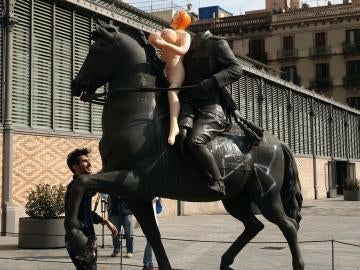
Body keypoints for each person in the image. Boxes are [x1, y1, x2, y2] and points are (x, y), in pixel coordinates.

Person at [179, 30, 243, 196]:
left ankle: (218, 181)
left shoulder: (216, 43)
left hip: (212, 106)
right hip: (188, 104)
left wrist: (212, 81)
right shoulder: (186, 47)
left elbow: (236, 69)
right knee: (179, 136)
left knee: (195, 141)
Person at [64, 148, 118, 270]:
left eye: (89, 160)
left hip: (86, 236)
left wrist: (105, 221)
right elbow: (70, 220)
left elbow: (85, 212)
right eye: (84, 161)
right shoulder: (77, 186)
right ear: (75, 167)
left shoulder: (81, 185)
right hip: (79, 236)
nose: (89, 163)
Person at [148, 11, 192, 145]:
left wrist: (164, 44)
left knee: (172, 91)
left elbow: (183, 51)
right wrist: (156, 40)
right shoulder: (167, 31)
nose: (172, 19)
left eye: (175, 17)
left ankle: (174, 127)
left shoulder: (185, 35)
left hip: (176, 71)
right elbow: (151, 39)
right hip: (162, 69)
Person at [142, 197, 161, 270]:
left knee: (149, 242)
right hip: (148, 220)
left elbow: (158, 210)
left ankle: (146, 265)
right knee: (151, 241)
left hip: (153, 220)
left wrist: (159, 201)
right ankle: (149, 264)